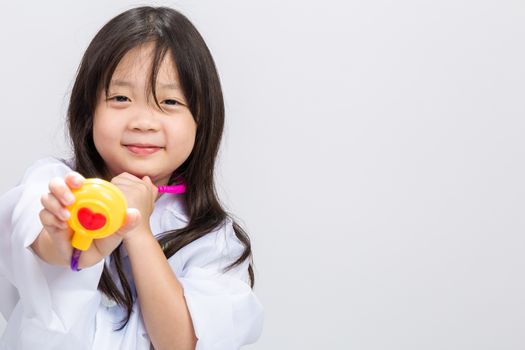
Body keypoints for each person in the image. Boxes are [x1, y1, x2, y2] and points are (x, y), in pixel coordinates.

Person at [0, 6, 263, 350]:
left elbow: (181, 342)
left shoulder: (214, 239)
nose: (144, 121)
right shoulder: (56, 182)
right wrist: (73, 244)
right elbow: (37, 235)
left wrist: (137, 230)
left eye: (169, 101)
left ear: (202, 121)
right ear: (88, 111)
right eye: (121, 98)